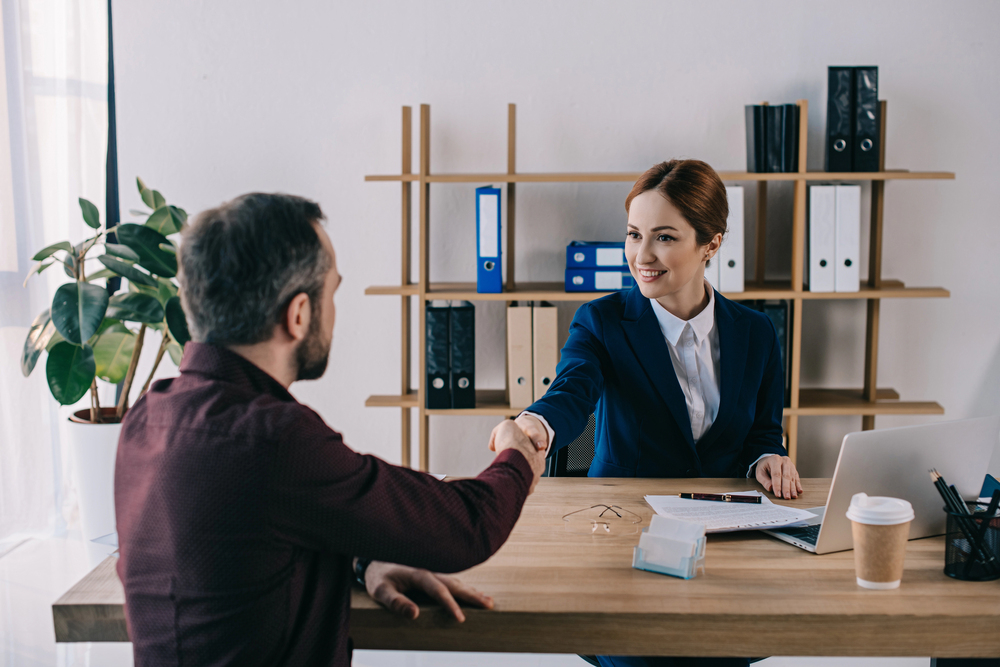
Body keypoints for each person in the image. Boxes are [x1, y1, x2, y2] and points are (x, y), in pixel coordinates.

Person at [114, 193, 545, 667]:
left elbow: (241, 549)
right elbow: (467, 527)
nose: (335, 312)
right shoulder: (274, 440)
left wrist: (363, 560)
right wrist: (517, 452)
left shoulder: (146, 419)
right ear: (299, 314)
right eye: (332, 292)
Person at [493, 159, 802, 667]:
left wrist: (768, 456)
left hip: (724, 540)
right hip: (626, 539)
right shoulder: (603, 321)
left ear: (711, 243)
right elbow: (573, 389)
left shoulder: (757, 332)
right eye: (634, 235)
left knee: (742, 642)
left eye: (664, 237)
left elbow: (764, 432)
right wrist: (534, 424)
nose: (642, 255)